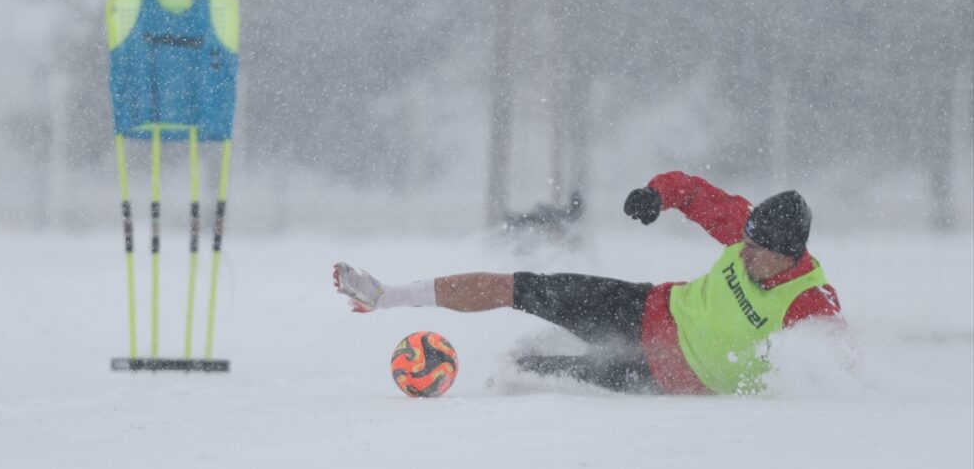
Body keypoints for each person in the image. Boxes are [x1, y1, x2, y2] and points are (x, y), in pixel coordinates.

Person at [333, 171, 842, 395]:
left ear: (785, 255)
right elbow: (690, 189)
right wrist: (655, 195)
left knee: (524, 373)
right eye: (744, 239)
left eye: (755, 250)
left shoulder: (809, 303)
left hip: (663, 377)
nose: (744, 250)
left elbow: (837, 367)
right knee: (525, 286)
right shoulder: (743, 228)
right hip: (643, 308)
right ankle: (388, 296)